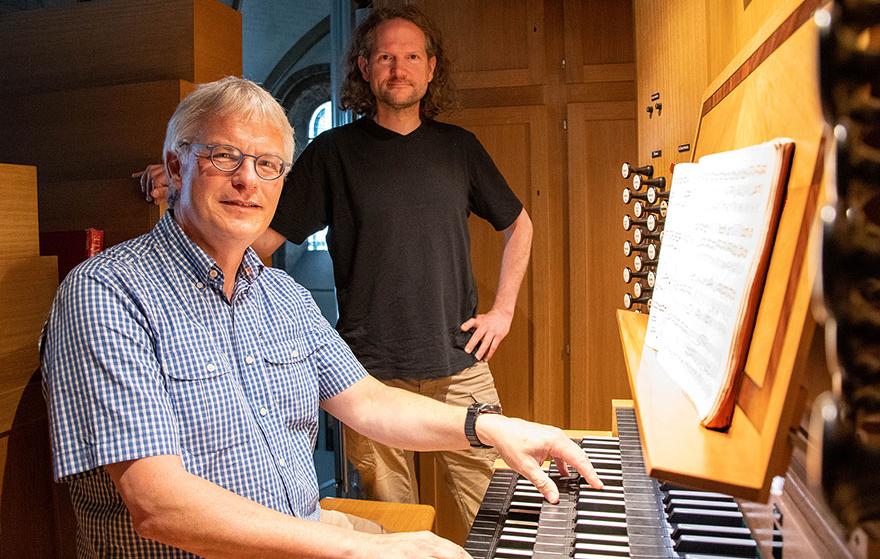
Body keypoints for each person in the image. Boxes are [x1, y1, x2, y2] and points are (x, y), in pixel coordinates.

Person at [47, 76, 601, 558]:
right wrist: (364, 548)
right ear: (175, 165)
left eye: (267, 165)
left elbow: (368, 402)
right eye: (224, 157)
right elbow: (159, 507)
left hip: (302, 533)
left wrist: (490, 427)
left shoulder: (282, 296)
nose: (248, 181)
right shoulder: (106, 293)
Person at [135, 6, 533, 531]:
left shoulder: (459, 147)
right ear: (364, 69)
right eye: (386, 56)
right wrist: (186, 186)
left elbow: (519, 224)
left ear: (431, 68)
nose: (399, 67)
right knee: (394, 524)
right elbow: (256, 241)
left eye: (411, 56)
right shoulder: (332, 152)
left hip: (459, 362)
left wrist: (502, 311)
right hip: (365, 371)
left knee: (500, 510)